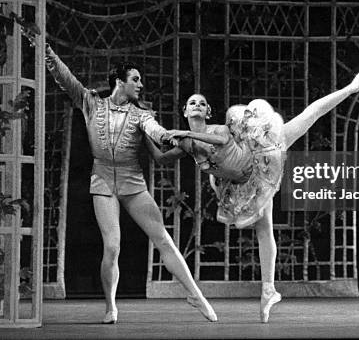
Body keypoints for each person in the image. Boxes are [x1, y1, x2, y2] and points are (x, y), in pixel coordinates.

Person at [145, 62, 359, 323]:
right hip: (242, 184)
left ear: (209, 111)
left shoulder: (217, 130)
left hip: (263, 154)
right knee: (263, 228)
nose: (197, 105)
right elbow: (161, 158)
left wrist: (184, 132)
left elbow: (220, 141)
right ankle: (269, 290)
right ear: (184, 110)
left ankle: (351, 87)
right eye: (192, 102)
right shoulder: (186, 144)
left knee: (310, 115)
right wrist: (143, 130)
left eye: (201, 103)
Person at [25, 32, 217, 324]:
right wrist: (46, 51)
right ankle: (111, 306)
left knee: (162, 238)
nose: (140, 85)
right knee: (112, 245)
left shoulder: (141, 114)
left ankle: (196, 295)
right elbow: (65, 78)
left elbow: (155, 129)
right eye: (136, 79)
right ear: (120, 81)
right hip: (102, 182)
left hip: (132, 182)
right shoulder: (91, 103)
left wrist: (169, 135)